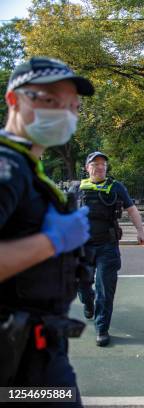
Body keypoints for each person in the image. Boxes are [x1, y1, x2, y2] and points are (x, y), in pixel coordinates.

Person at [0, 57, 93, 403]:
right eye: (49, 100)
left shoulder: (24, 164)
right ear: (14, 100)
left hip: (31, 348)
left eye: (73, 105)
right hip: (19, 358)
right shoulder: (7, 169)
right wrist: (52, 241)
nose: (65, 112)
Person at [72, 151, 144, 347]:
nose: (99, 167)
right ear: (87, 168)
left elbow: (131, 209)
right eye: (95, 164)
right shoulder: (76, 188)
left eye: (103, 164)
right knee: (82, 284)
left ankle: (102, 328)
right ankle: (88, 303)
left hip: (107, 245)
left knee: (105, 288)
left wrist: (140, 231)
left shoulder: (116, 187)